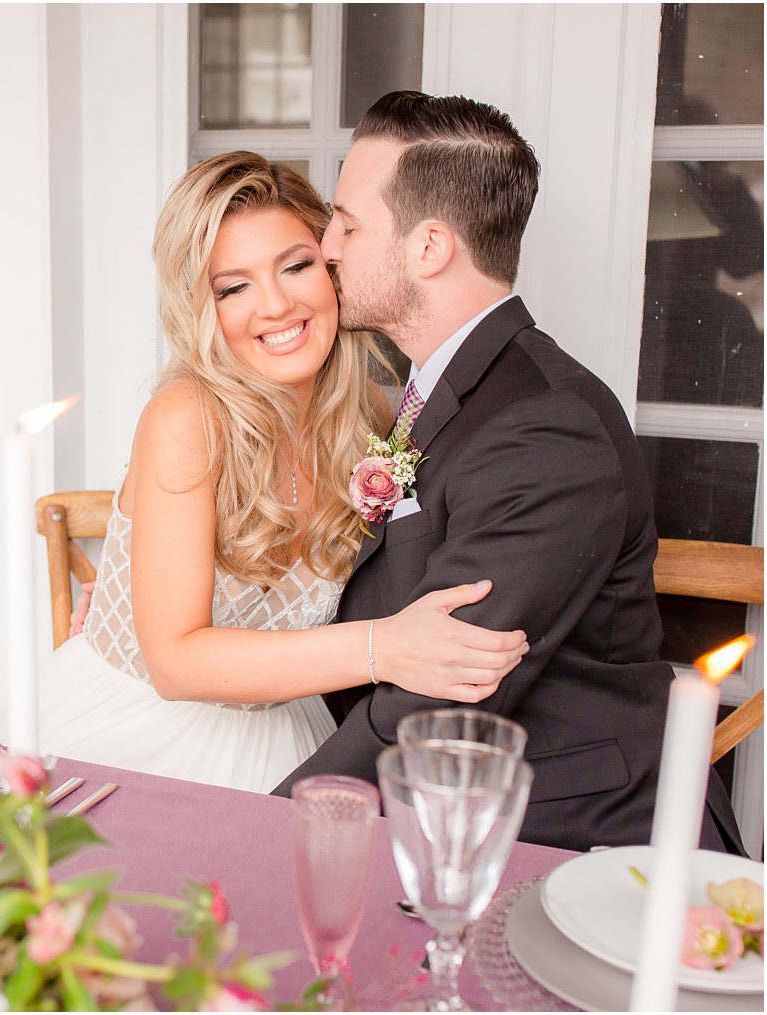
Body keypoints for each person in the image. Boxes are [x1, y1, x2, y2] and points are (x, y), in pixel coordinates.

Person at [272, 91, 744, 855]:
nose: (328, 245)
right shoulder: (443, 391)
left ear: (429, 248)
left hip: (570, 833)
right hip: (448, 793)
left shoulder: (546, 428)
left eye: (348, 224)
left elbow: (439, 686)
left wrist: (271, 820)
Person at [38, 151, 529, 794]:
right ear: (202, 308)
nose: (274, 305)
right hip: (134, 735)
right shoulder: (187, 417)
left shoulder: (375, 417)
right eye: (232, 286)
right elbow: (177, 662)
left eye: (295, 267)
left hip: (294, 736)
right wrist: (385, 648)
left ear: (333, 268)